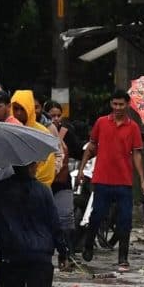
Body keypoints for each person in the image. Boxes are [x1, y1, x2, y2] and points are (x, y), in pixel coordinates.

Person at [78, 89, 144, 272]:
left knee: (125, 219)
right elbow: (92, 145)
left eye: (121, 104)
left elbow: (137, 154)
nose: (118, 107)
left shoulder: (133, 127)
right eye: (115, 104)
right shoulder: (101, 122)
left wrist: (142, 179)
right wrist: (81, 169)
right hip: (102, 179)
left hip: (124, 181)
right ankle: (88, 244)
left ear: (127, 105)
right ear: (111, 104)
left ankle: (123, 257)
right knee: (97, 215)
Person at [0, 163, 68, 287]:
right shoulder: (44, 190)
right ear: (31, 167)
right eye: (35, 165)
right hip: (41, 252)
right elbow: (55, 223)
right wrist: (63, 252)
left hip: (12, 252)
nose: (37, 168)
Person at [45, 101, 80, 269]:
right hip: (44, 183)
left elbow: (79, 151)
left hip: (62, 182)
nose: (56, 119)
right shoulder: (39, 132)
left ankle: (67, 255)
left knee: (66, 218)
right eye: (52, 115)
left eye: (59, 115)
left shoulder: (67, 132)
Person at [10, 90, 57, 188]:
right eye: (15, 108)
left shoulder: (42, 133)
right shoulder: (7, 131)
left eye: (23, 109)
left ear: (30, 109)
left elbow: (46, 168)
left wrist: (32, 186)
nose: (18, 113)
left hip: (36, 190)